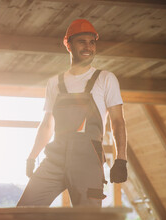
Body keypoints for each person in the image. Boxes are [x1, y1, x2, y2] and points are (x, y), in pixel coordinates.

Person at [17, 19, 127, 207]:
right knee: (25, 211)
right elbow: (47, 124)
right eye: (82, 41)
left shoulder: (105, 79)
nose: (88, 46)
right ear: (68, 45)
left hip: (88, 160)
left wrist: (121, 159)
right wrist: (32, 156)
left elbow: (118, 122)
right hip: (55, 157)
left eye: (92, 42)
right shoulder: (55, 83)